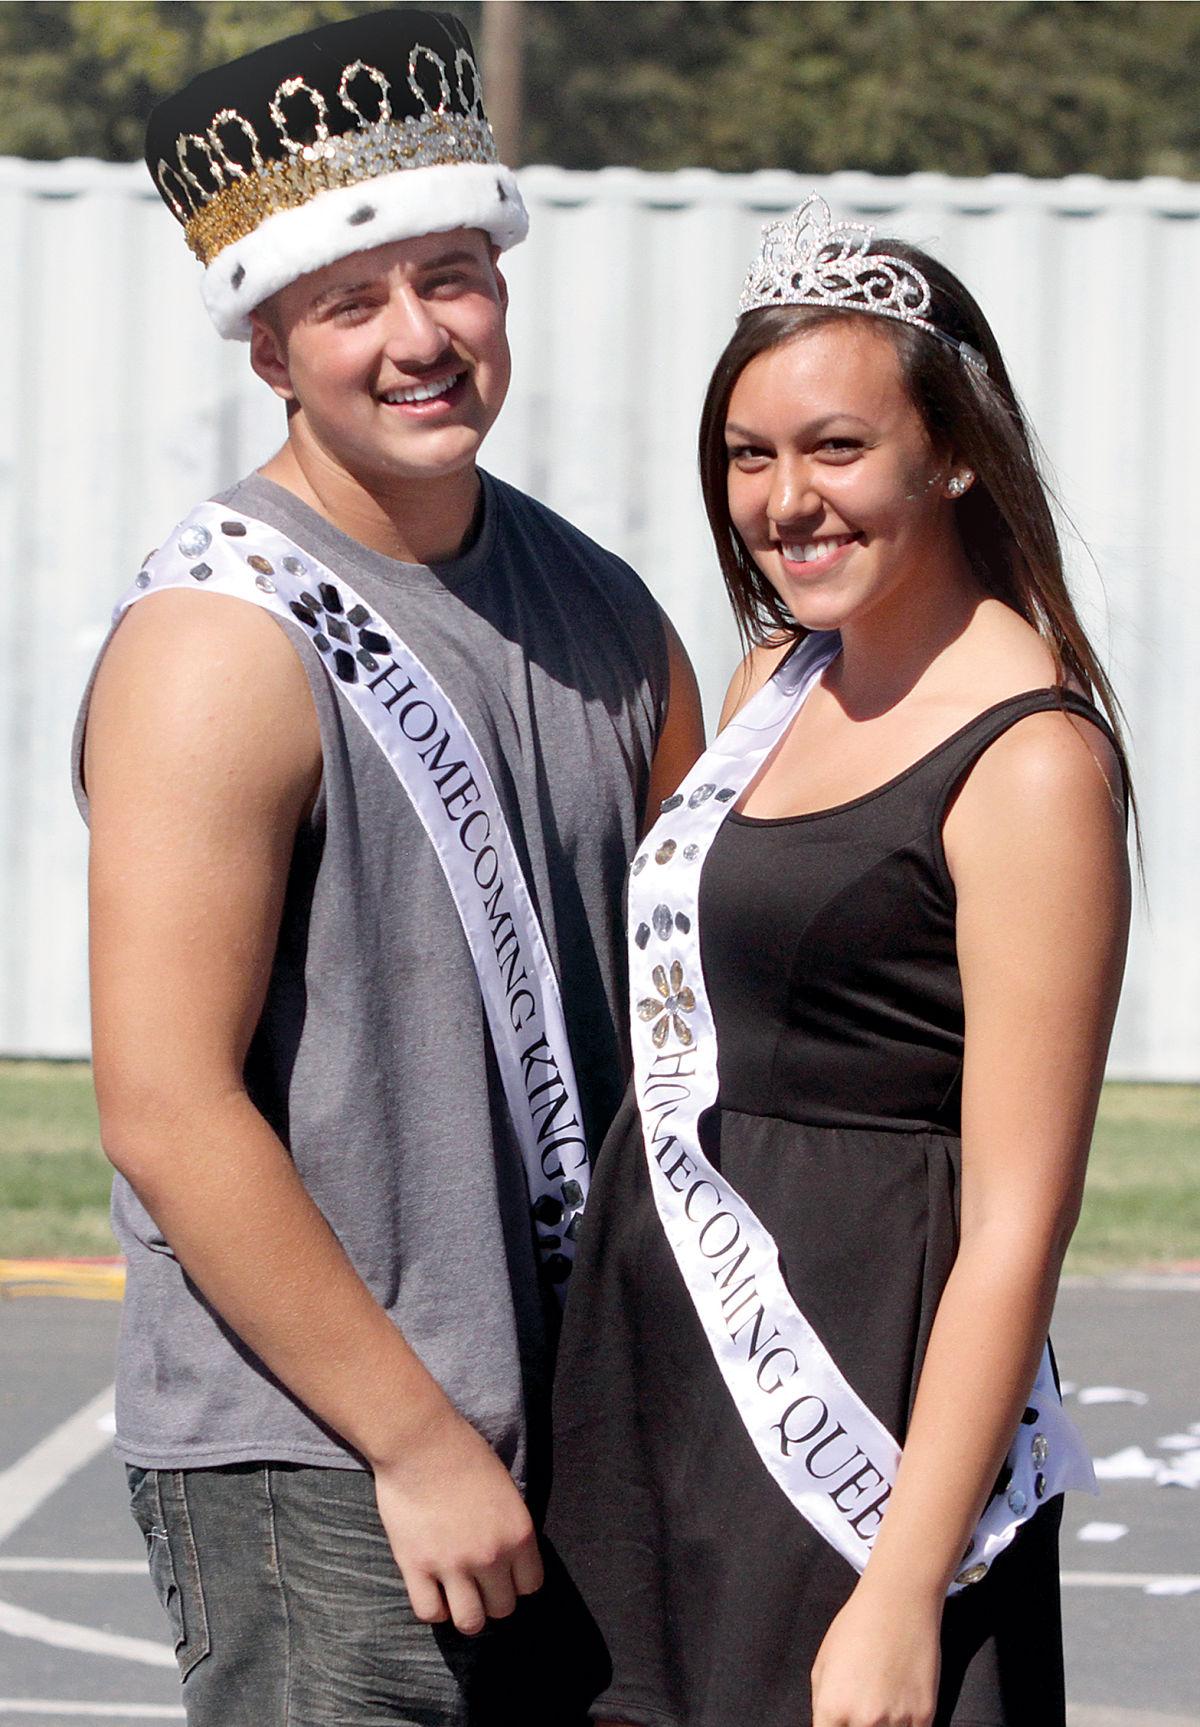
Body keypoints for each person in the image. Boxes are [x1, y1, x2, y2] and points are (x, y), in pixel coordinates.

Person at [74, 10, 702, 1726]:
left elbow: (685, 1014)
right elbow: (165, 1106)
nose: (421, 337)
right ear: (270, 348)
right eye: (353, 303)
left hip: (579, 1431)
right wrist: (417, 1441)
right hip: (330, 1465)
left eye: (454, 276)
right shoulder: (217, 642)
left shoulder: (608, 611)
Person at [546, 194, 1131, 1727]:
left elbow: (1018, 1218)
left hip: (858, 1389)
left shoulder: (1031, 761)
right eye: (750, 456)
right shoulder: (766, 676)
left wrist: (898, 1585)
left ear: (949, 452)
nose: (785, 501)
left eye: (835, 448)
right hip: (657, 1364)